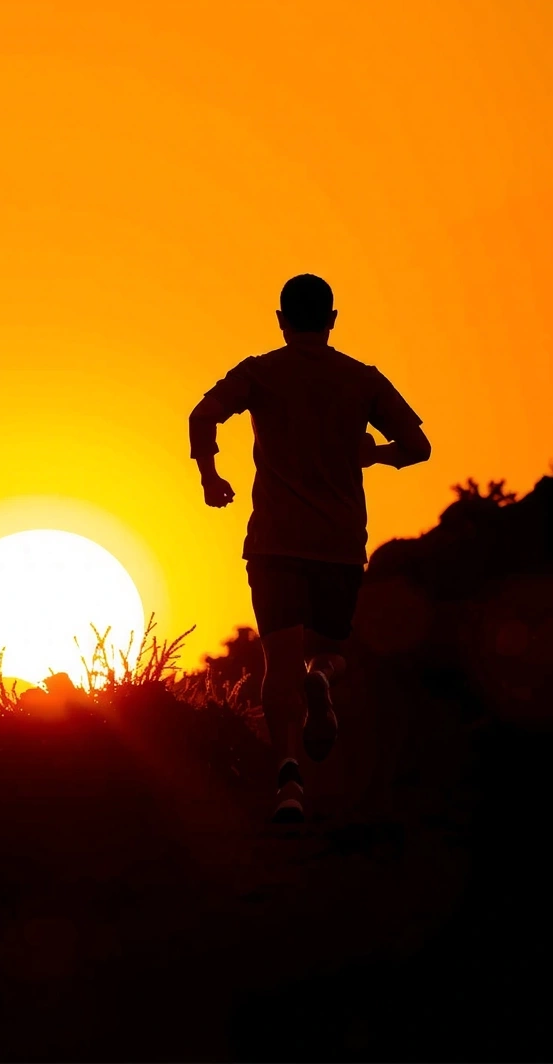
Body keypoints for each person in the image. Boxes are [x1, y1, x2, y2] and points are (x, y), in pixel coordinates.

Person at [188, 274, 430, 824]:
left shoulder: (259, 372)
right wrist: (375, 457)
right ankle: (320, 679)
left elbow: (201, 415)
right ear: (333, 319)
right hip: (339, 544)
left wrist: (209, 475)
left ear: (281, 320)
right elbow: (419, 447)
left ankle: (289, 778)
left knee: (278, 661)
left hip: (275, 541)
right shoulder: (361, 380)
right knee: (329, 653)